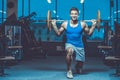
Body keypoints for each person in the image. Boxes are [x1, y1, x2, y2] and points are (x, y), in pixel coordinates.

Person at [51, 7, 97, 79]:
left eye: (75, 14)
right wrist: (54, 25)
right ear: (70, 15)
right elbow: (58, 34)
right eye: (72, 14)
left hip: (79, 45)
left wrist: (94, 25)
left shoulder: (82, 24)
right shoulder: (65, 24)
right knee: (70, 51)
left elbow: (89, 34)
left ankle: (78, 66)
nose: (74, 15)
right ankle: (69, 70)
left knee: (80, 66)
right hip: (69, 43)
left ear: (78, 15)